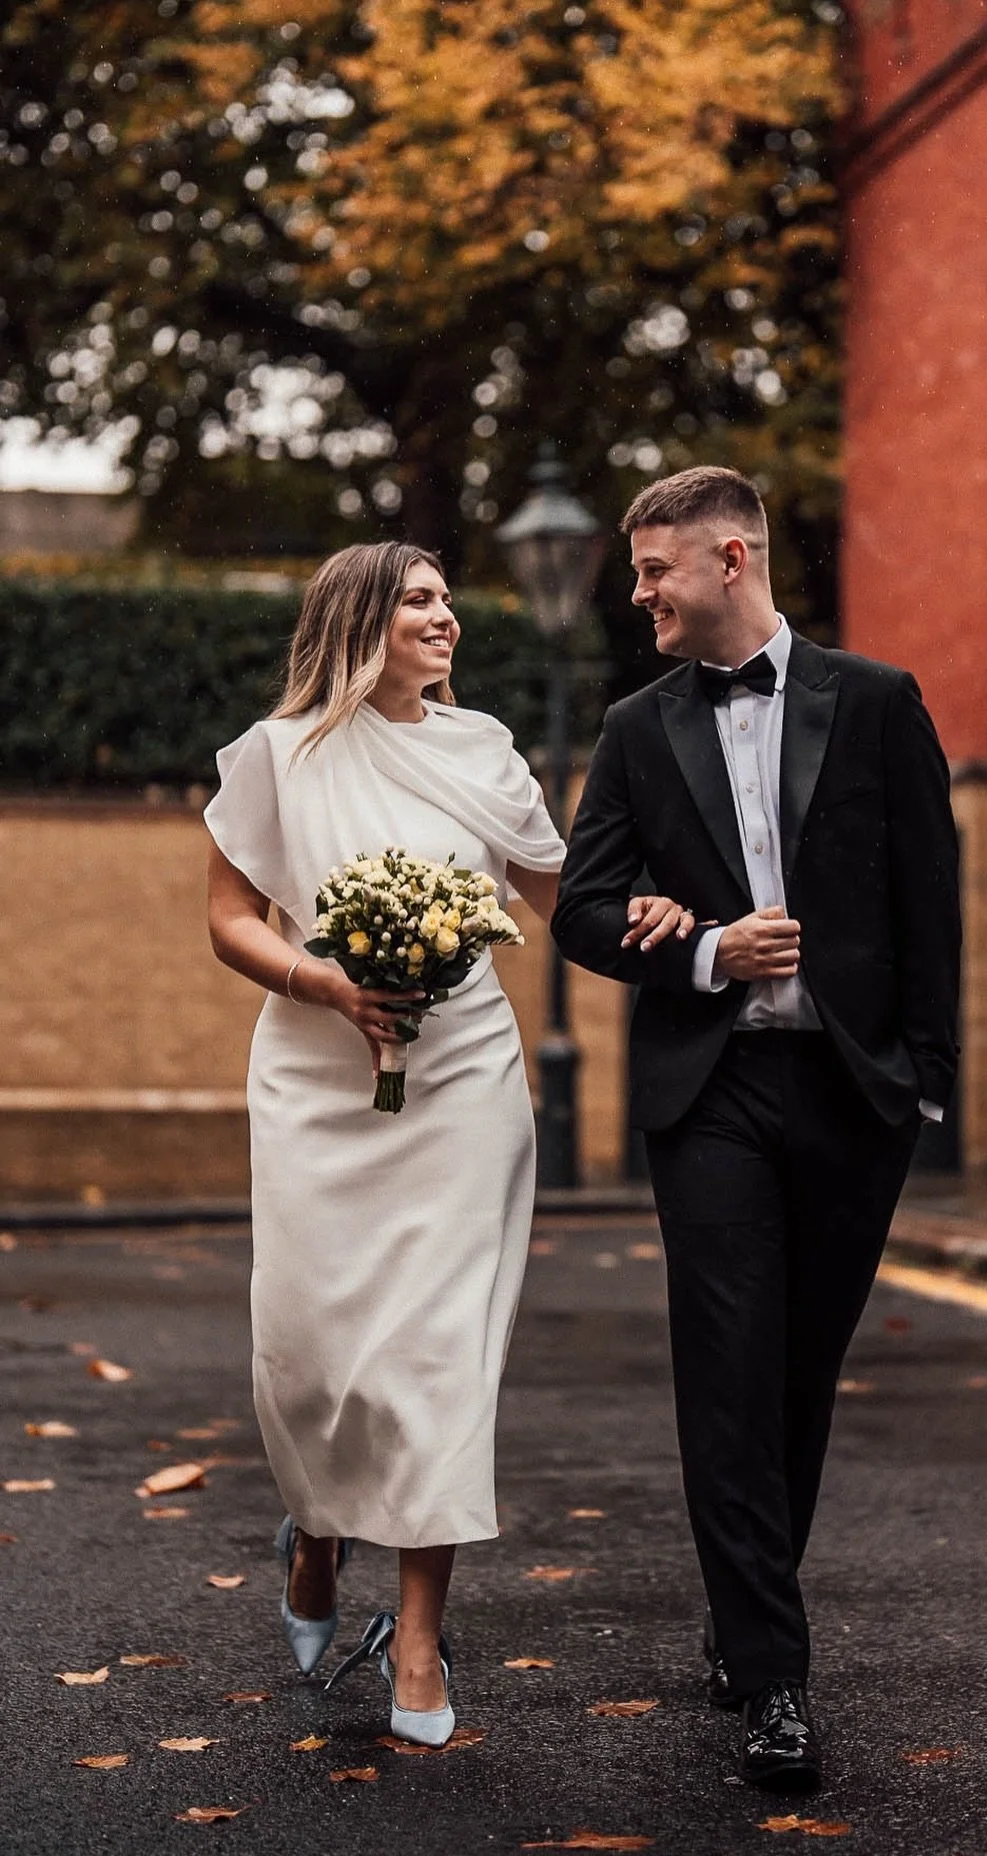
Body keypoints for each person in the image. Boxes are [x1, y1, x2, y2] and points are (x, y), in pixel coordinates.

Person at [204, 540, 692, 1746]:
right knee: (314, 1353)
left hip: (467, 1076)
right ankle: (315, 1533)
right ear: (361, 615)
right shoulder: (280, 755)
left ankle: (417, 1643)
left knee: (439, 1358)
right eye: (420, 600)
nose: (446, 619)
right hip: (320, 1078)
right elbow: (227, 920)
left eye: (447, 600)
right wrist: (323, 981)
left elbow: (560, 897)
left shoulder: (483, 754)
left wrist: (659, 915)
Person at [552, 466, 960, 1793]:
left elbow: (928, 897)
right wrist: (707, 946)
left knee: (797, 1373)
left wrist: (925, 1084)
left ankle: (744, 1618)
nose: (639, 594)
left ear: (731, 559)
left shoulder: (880, 704)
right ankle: (773, 1677)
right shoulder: (633, 726)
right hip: (710, 1089)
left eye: (655, 570)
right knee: (729, 1366)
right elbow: (583, 907)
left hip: (851, 1092)